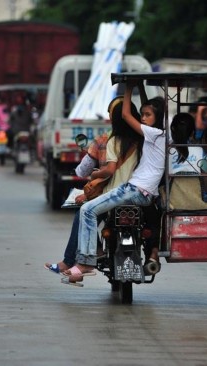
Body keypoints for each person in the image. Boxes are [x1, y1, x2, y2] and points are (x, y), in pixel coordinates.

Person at [61, 81, 165, 286]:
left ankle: (86, 262)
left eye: (148, 115)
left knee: (87, 210)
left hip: (135, 190)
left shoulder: (152, 134)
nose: (143, 119)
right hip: (144, 194)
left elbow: (126, 116)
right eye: (142, 115)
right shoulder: (153, 137)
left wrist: (127, 88)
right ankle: (89, 260)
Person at [44, 97, 142, 277]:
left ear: (114, 118)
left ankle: (81, 258)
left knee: (84, 212)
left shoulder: (107, 140)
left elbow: (97, 171)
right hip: (141, 195)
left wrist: (95, 174)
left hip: (113, 194)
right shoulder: (145, 139)